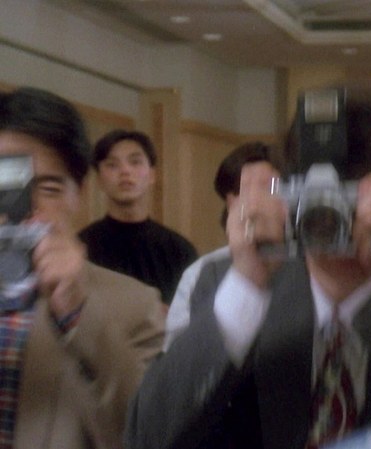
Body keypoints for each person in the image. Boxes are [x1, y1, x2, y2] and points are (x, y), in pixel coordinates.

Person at [126, 86, 371, 449]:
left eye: (355, 200)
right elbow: (147, 437)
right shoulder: (227, 286)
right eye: (320, 198)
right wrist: (245, 288)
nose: (337, 217)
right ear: (290, 194)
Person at [0, 87, 165, 448]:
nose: (25, 209)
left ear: (81, 193)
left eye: (48, 187)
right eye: (6, 186)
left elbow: (151, 434)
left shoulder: (134, 305)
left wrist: (79, 316)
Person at [164, 140, 279, 351]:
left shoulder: (314, 264)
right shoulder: (202, 271)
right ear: (231, 202)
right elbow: (177, 354)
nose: (261, 202)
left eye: (271, 189)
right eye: (248, 190)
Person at [79, 129, 198, 304]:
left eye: (135, 162)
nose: (125, 171)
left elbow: (195, 310)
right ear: (99, 180)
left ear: (152, 175)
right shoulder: (82, 247)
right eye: (112, 165)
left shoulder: (179, 250)